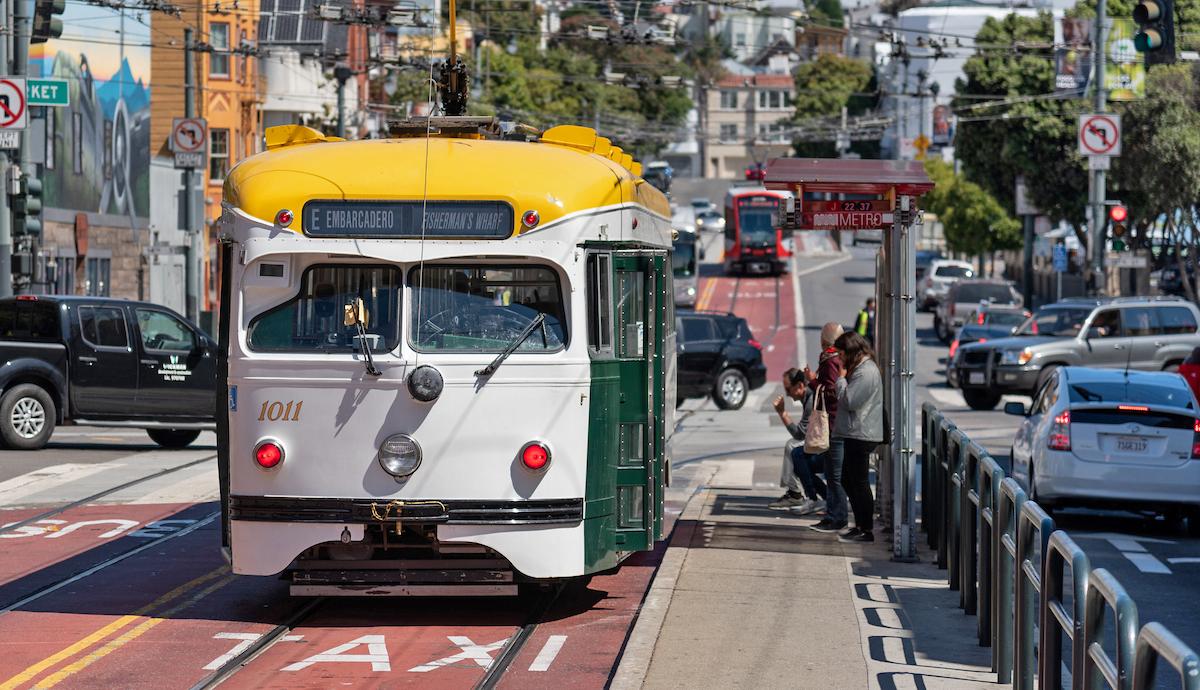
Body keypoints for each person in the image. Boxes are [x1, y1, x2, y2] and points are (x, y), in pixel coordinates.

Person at [830, 331, 884, 543]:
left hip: (862, 433)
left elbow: (850, 401)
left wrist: (841, 379)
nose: (840, 359)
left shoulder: (865, 372)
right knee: (848, 478)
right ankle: (860, 524)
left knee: (859, 482)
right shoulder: (861, 369)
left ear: (851, 352)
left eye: (841, 354)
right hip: (856, 431)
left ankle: (866, 528)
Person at [806, 323, 848, 534]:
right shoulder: (836, 358)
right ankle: (833, 513)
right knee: (832, 473)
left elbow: (832, 393)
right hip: (835, 423)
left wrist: (813, 382)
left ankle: (837, 516)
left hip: (832, 423)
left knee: (834, 475)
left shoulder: (830, 361)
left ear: (825, 341)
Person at [769, 369, 826, 515]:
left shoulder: (810, 399)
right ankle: (824, 497)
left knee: (795, 451)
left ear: (800, 385)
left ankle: (796, 494)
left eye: (789, 389)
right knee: (798, 459)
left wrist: (782, 413)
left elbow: (799, 434)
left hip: (828, 447)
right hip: (824, 444)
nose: (787, 394)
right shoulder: (807, 397)